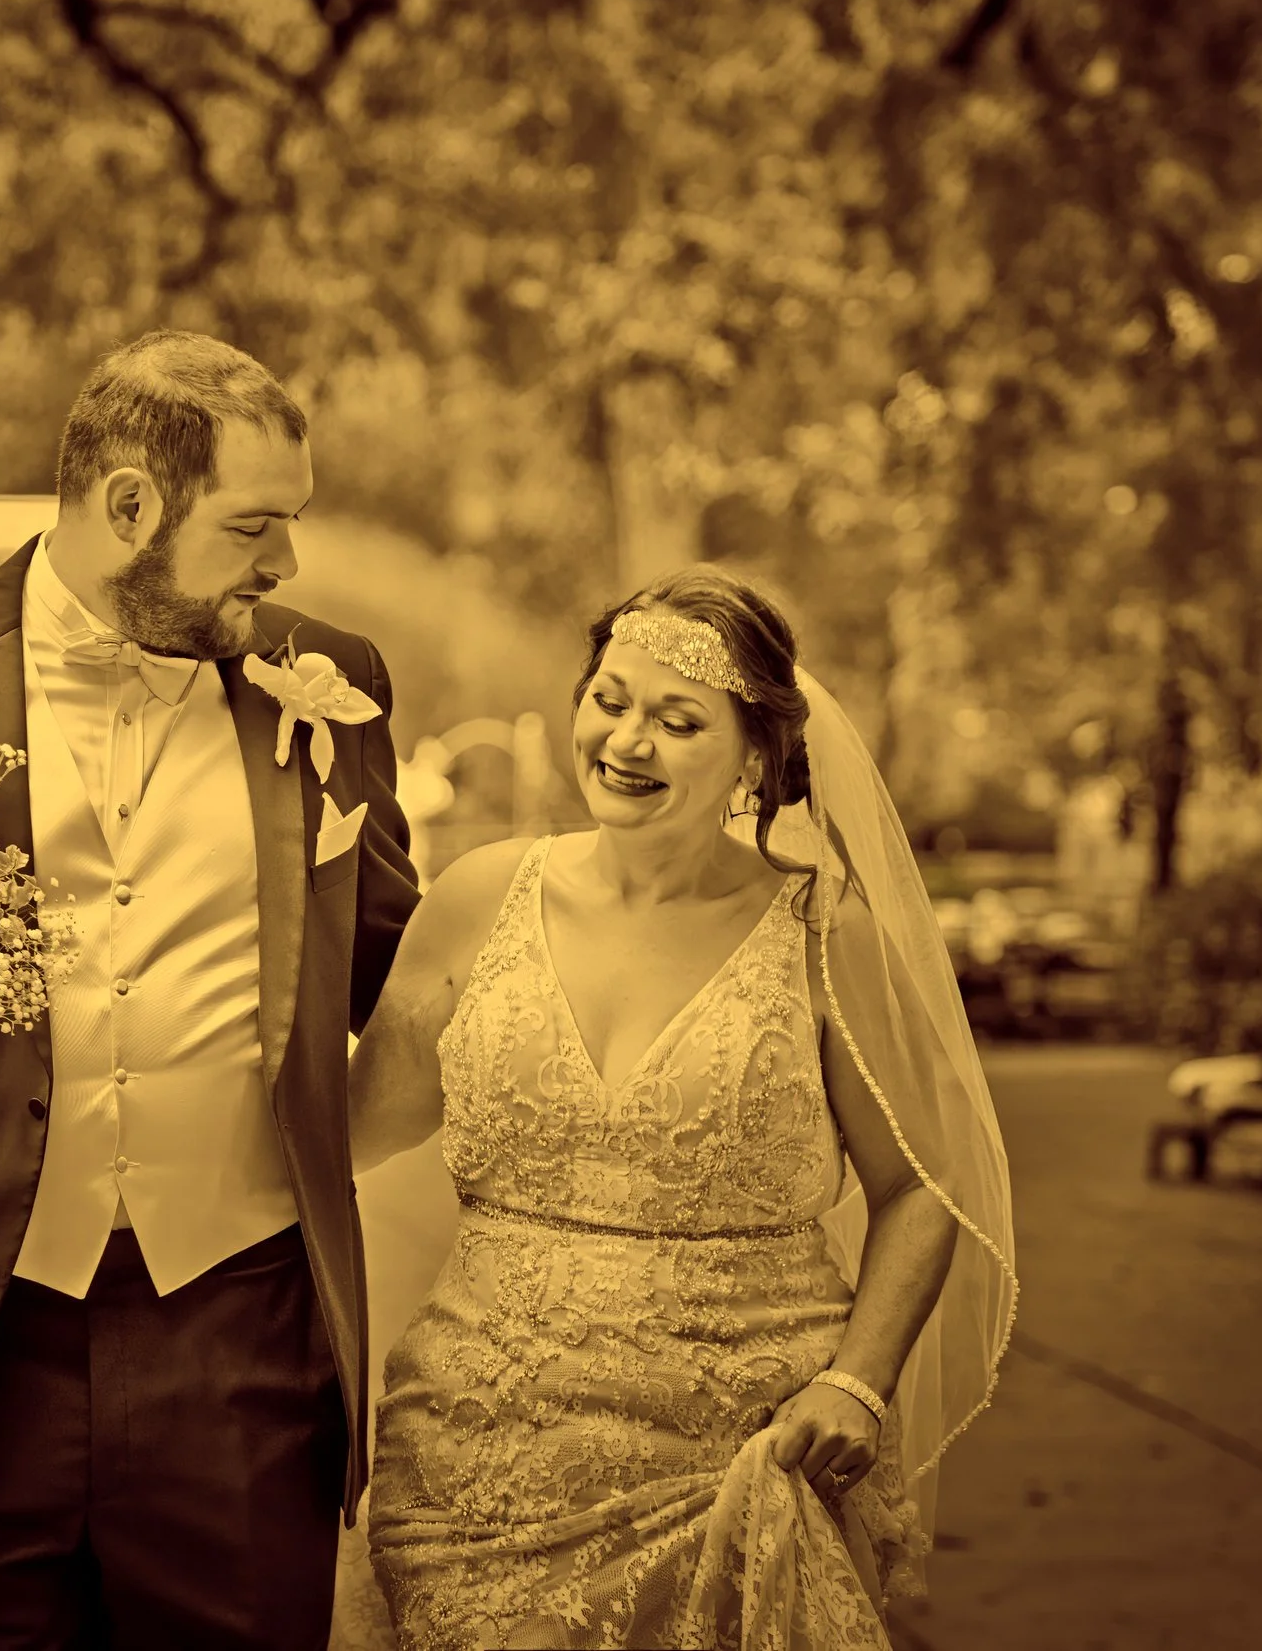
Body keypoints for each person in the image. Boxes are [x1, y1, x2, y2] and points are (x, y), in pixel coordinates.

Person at [0, 330, 420, 1649]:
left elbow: (410, 970)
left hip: (243, 1347)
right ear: (131, 506)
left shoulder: (328, 686)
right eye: (255, 526)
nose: (285, 563)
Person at [346, 566, 1017, 1649]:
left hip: (738, 1461)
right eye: (608, 700)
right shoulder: (479, 896)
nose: (625, 741)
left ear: (756, 754)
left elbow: (919, 1188)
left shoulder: (820, 929)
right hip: (477, 1461)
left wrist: (858, 1379)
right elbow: (345, 1129)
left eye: (676, 719)